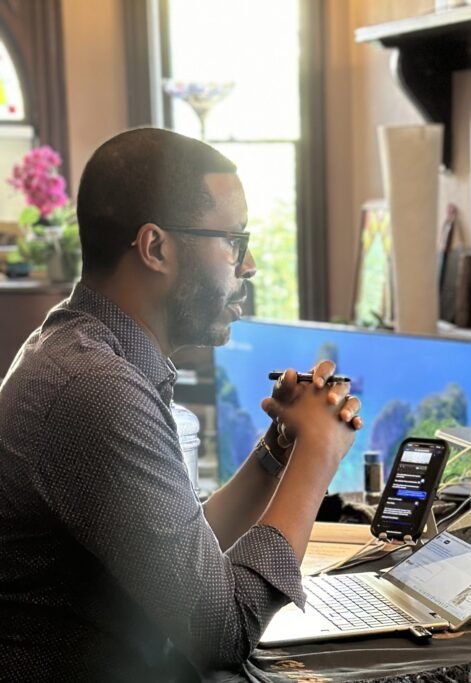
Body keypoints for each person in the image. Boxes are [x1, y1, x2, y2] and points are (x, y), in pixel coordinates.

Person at [0, 128, 361, 681]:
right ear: (156, 248)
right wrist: (317, 453)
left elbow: (185, 559)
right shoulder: (94, 387)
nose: (250, 265)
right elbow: (224, 628)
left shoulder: (81, 350)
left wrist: (278, 455)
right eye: (234, 242)